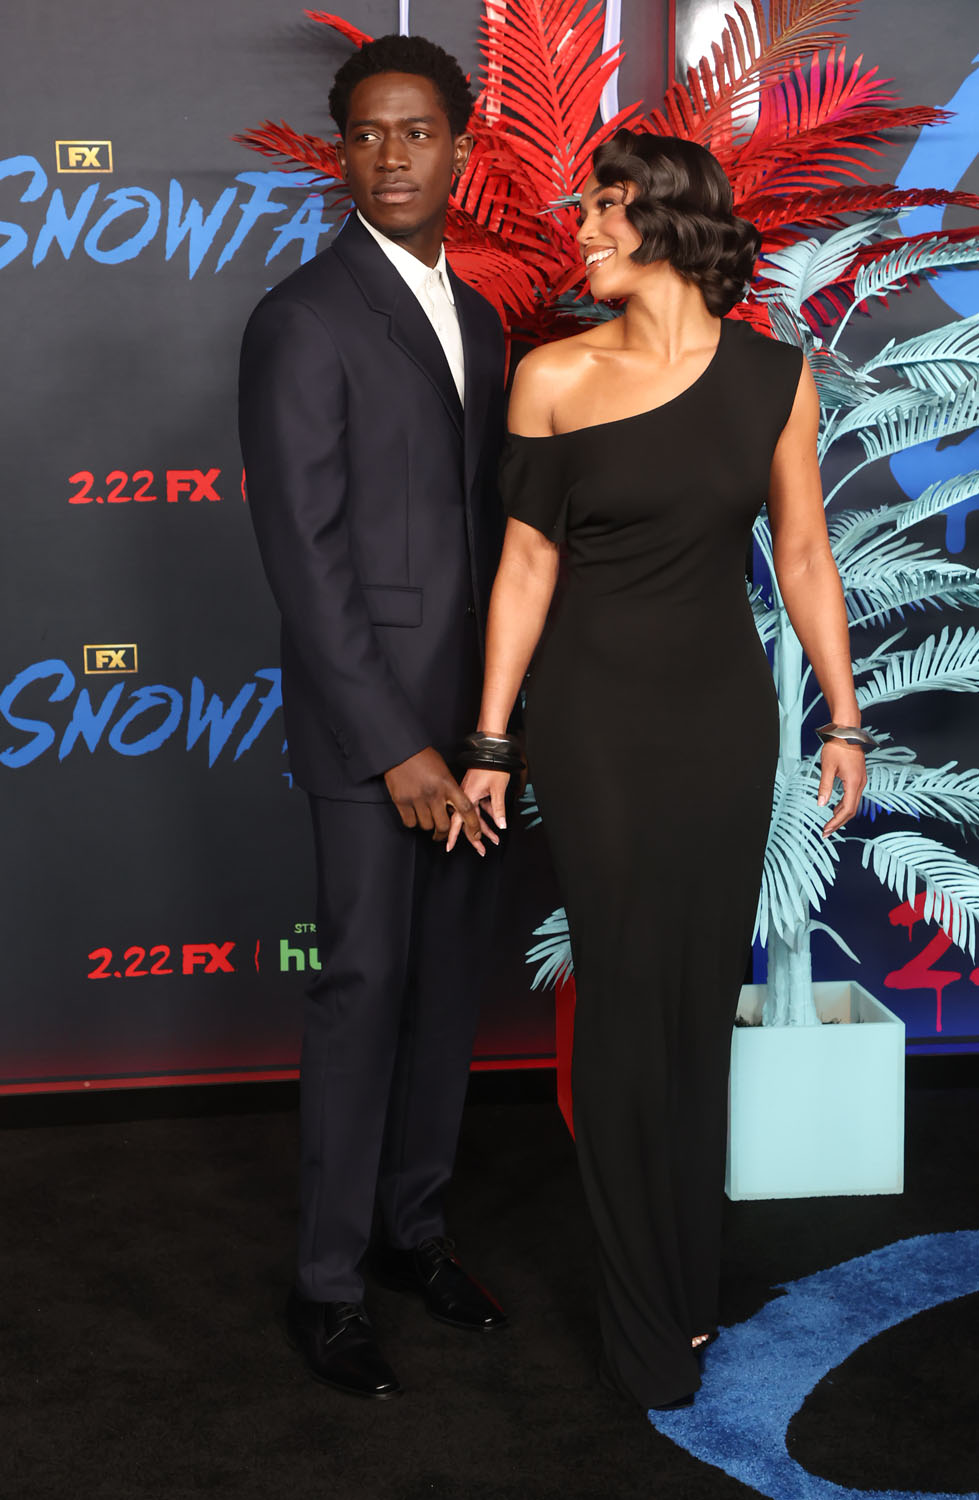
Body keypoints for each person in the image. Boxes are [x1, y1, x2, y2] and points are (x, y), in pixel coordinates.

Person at [448, 131, 870, 1412]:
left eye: (604, 206)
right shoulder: (552, 375)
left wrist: (844, 718)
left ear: (667, 221)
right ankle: (642, 1318)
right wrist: (491, 738)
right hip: (595, 724)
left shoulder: (774, 378)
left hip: (721, 724)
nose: (578, 226)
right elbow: (525, 568)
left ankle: (688, 1286)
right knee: (628, 1006)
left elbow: (803, 554)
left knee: (692, 1003)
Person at [238, 34, 510, 1402]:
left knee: (448, 990)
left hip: (477, 731)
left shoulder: (484, 318)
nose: (391, 155)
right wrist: (397, 745)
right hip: (372, 737)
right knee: (363, 991)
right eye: (366, 133)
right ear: (339, 153)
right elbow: (304, 555)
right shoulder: (302, 316)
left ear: (461, 146)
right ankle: (329, 1286)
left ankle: (413, 1233)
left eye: (416, 132)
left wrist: (485, 736)